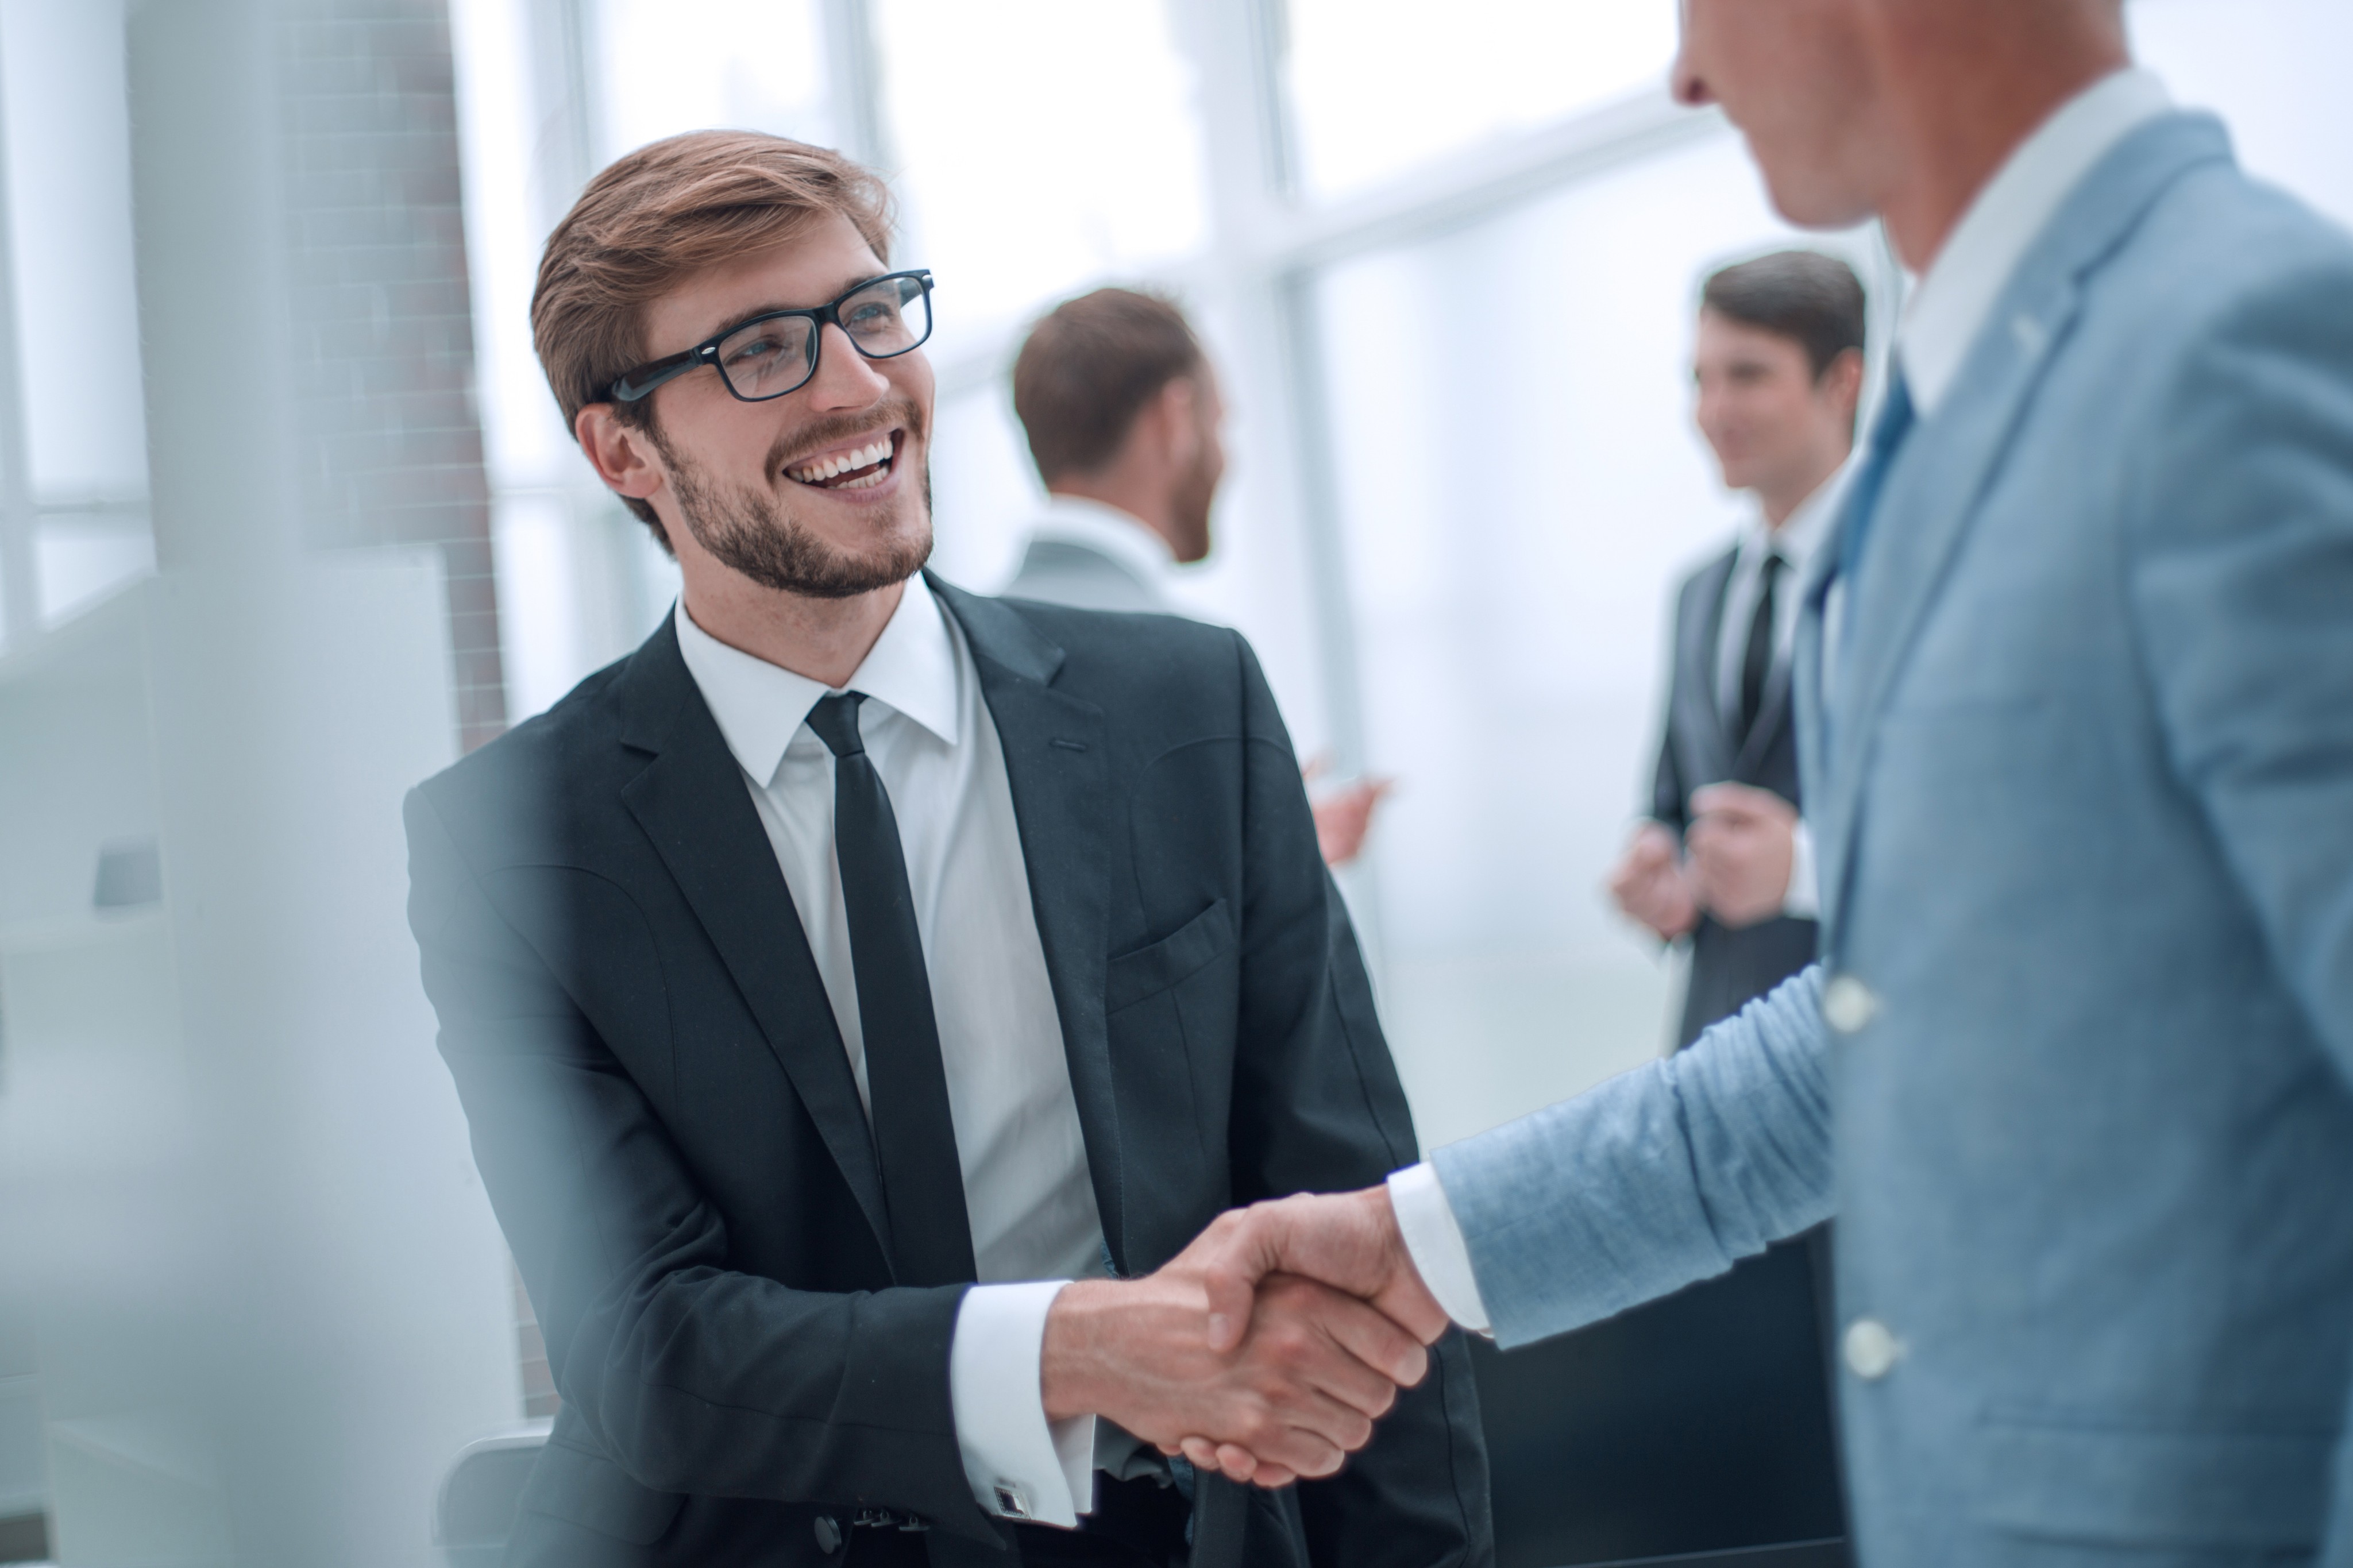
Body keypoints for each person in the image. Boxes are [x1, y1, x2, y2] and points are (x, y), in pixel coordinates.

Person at [1180, 1, 2353, 1558]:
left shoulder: (2234, 341)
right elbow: (1882, 1021)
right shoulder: (1958, 421)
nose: (1686, 70)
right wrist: (1418, 1242)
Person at [403, 131, 1488, 1568]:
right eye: (760, 351)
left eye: (868, 315)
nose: (860, 385)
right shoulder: (512, 843)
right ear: (623, 451)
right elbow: (648, 1348)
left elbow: (1355, 1235)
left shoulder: (1184, 711)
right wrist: (1074, 1352)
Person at [1002, 288, 1388, 868]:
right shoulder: (1195, 662)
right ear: (1174, 418)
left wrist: (1274, 845)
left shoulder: (966, 651)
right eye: (1221, 425)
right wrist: (1280, 864)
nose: (1227, 459)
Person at [1608, 250, 1864, 1049]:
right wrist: (1661, 872)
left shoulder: (1920, 572)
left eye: (1748, 375)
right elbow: (1675, 801)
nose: (1715, 409)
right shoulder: (1699, 593)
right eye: (1700, 379)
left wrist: (1804, 873)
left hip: (1871, 1042)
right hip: (1717, 1045)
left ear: (1842, 382)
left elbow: (1980, 847)